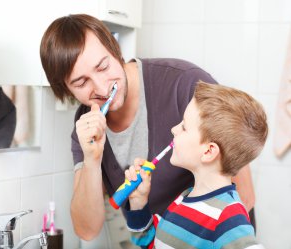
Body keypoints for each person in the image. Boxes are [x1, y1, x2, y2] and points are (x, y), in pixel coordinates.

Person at [40, 14, 256, 240]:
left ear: (115, 50)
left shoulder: (185, 84)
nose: (102, 88)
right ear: (66, 90)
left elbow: (245, 195)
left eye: (103, 67)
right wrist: (92, 160)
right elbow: (87, 230)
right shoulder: (85, 131)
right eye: (82, 83)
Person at [124, 82, 268, 248]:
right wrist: (138, 204)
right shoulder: (183, 200)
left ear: (208, 152)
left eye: (184, 127)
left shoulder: (229, 217)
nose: (173, 129)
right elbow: (152, 243)